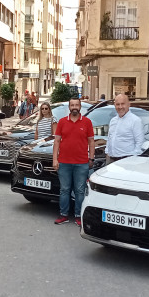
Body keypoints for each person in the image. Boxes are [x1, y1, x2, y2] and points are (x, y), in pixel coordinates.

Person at [52, 97, 94, 227]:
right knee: (64, 190)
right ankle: (63, 215)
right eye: (72, 105)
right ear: (69, 107)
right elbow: (57, 141)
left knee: (80, 191)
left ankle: (78, 216)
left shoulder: (87, 122)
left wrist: (91, 158)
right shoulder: (62, 122)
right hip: (64, 162)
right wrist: (55, 159)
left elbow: (91, 141)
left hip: (81, 163)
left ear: (80, 107)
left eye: (77, 105)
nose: (74, 107)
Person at [105, 93, 144, 164]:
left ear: (129, 104)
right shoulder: (113, 121)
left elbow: (139, 143)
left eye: (123, 104)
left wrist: (133, 160)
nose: (120, 107)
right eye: (117, 104)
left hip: (127, 161)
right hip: (111, 160)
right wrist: (107, 153)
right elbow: (110, 138)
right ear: (114, 105)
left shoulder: (135, 120)